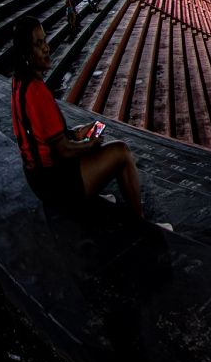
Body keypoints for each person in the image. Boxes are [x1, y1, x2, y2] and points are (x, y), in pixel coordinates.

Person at [10, 15, 147, 221]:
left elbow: (43, 136)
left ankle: (94, 189)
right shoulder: (37, 93)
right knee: (121, 152)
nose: (46, 48)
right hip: (55, 185)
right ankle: (141, 221)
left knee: (84, 131)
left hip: (37, 177)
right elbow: (63, 150)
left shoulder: (19, 82)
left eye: (45, 40)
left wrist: (76, 134)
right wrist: (88, 144)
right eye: (38, 44)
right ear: (26, 53)